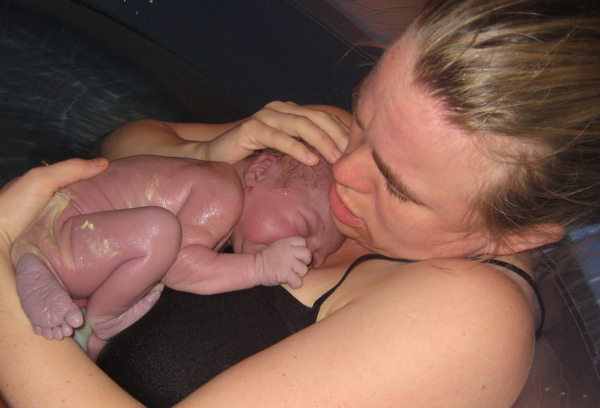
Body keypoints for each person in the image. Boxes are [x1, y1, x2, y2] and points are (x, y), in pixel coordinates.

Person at [0, 0, 598, 406]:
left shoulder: (467, 316)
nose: (345, 170)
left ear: (517, 235)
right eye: (364, 114)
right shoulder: (338, 145)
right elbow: (122, 144)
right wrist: (209, 155)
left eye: (397, 187)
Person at [11, 150, 344, 358]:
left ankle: (46, 275)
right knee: (159, 232)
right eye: (303, 226)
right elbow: (181, 268)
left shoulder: (210, 182)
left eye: (317, 256)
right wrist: (261, 267)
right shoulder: (222, 192)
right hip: (66, 239)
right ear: (259, 171)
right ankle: (101, 317)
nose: (303, 252)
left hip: (74, 242)